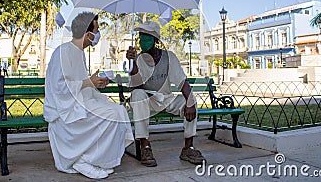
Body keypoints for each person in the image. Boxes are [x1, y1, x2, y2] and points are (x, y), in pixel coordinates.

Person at [44, 12, 134, 179]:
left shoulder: (79, 53)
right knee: (112, 115)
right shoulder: (63, 52)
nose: (98, 34)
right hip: (63, 110)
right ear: (88, 34)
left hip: (79, 101)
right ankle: (83, 160)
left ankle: (97, 159)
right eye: (97, 30)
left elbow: (80, 83)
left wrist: (96, 82)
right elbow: (59, 89)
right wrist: (89, 82)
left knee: (118, 111)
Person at [126, 21, 206, 167]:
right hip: (148, 101)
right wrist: (133, 64)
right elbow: (135, 86)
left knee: (189, 100)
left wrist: (190, 101)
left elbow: (182, 82)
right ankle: (145, 146)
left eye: (147, 37)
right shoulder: (138, 59)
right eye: (141, 37)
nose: (143, 41)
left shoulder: (169, 57)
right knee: (137, 95)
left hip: (166, 100)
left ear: (156, 40)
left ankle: (188, 148)